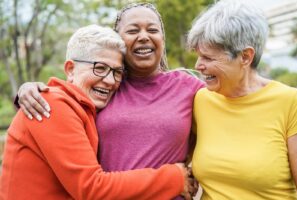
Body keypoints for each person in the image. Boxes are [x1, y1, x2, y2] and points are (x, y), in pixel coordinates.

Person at [15, 3, 204, 199]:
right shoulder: (107, 87)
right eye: (132, 30)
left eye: (152, 30)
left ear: (162, 40)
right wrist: (28, 88)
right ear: (119, 41)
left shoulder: (188, 87)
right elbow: (65, 94)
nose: (143, 36)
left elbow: (227, 105)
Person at [187, 0, 297, 199]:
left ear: (245, 57)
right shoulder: (201, 100)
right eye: (198, 56)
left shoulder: (291, 102)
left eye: (208, 58)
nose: (198, 65)